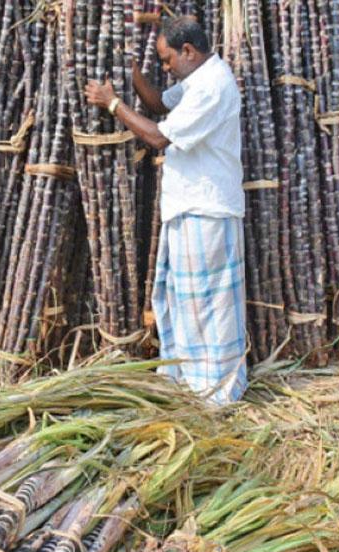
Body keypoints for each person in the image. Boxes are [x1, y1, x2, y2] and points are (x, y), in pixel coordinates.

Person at [83, 16, 247, 405]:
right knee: (183, 302)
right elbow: (158, 103)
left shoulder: (213, 86)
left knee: (209, 306)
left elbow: (157, 136)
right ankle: (192, 384)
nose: (167, 68)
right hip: (190, 208)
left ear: (188, 50)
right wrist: (133, 70)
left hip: (207, 210)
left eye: (168, 59)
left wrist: (112, 103)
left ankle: (217, 392)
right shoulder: (197, 82)